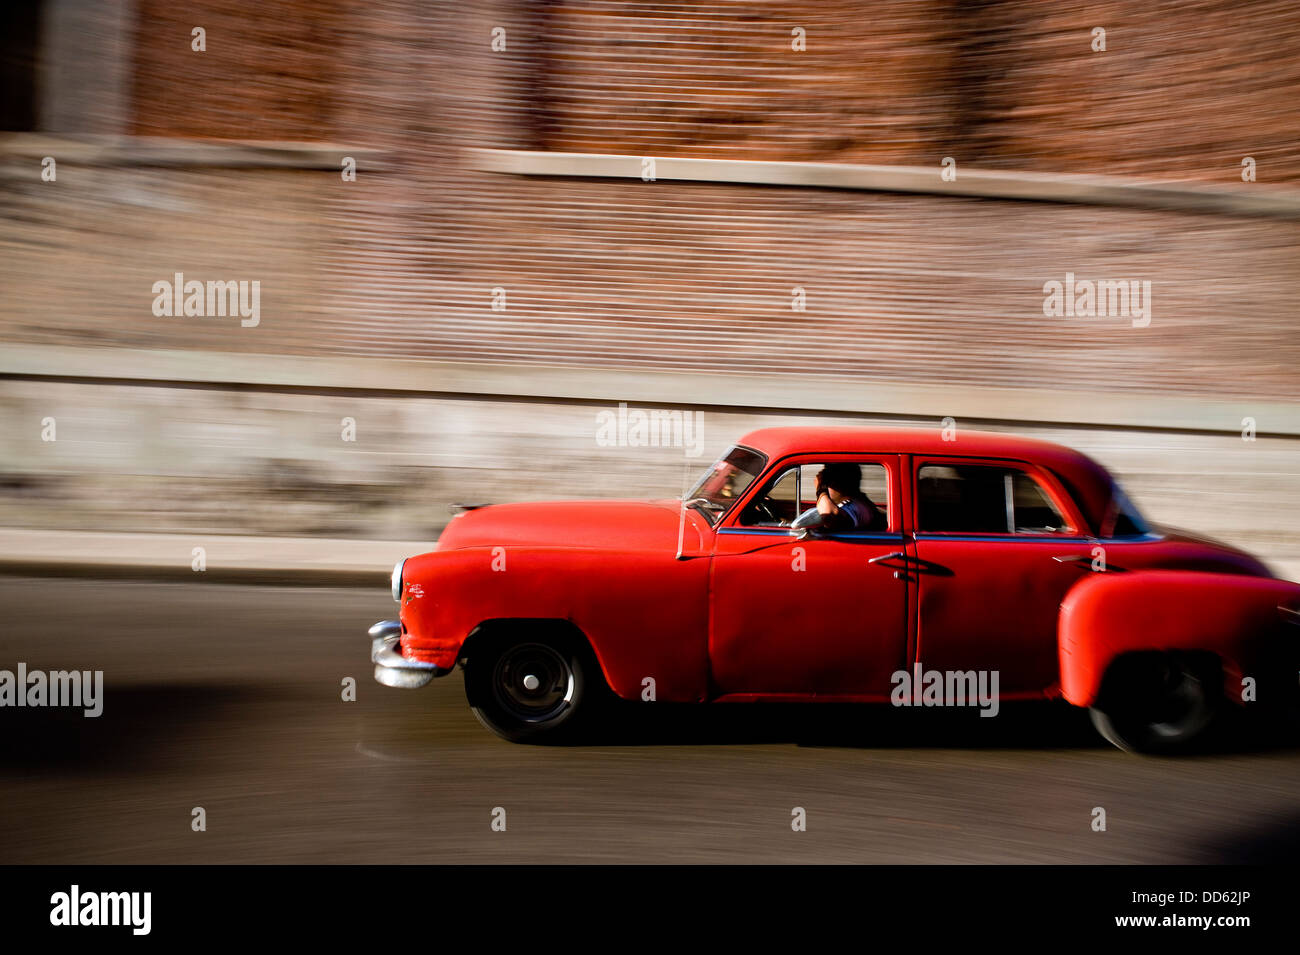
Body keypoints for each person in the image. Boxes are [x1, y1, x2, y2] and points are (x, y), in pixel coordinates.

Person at [815, 463, 882, 532]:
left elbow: (828, 517)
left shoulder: (856, 507)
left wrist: (821, 489)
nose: (827, 489)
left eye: (828, 484)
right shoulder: (859, 502)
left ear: (836, 483)